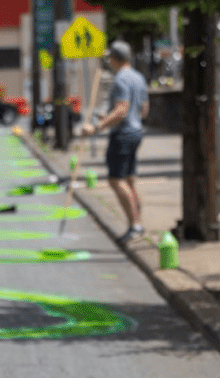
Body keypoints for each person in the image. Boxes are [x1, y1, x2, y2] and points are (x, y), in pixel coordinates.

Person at [82, 40, 150, 244]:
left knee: (116, 180)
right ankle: (138, 222)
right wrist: (108, 116)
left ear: (115, 59)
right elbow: (144, 108)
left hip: (123, 134)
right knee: (130, 181)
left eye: (110, 58)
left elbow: (122, 110)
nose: (108, 62)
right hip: (136, 131)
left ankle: (135, 225)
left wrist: (96, 128)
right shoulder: (138, 77)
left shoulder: (120, 79)